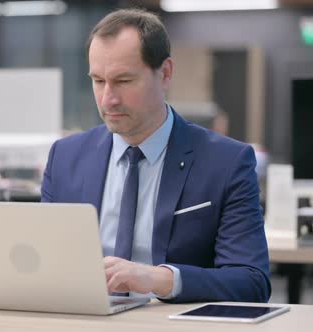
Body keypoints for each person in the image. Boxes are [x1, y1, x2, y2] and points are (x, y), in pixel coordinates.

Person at [41, 8, 270, 303]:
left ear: (165, 74)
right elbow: (44, 265)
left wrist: (159, 278)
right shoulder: (66, 157)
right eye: (98, 81)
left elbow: (251, 281)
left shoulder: (227, 163)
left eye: (123, 81)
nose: (108, 98)